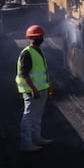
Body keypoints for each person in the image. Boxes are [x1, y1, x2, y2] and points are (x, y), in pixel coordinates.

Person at [16, 24, 54, 152]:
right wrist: (33, 89)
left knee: (37, 115)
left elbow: (42, 71)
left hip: (41, 89)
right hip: (31, 91)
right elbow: (24, 74)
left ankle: (37, 138)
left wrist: (48, 85)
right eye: (36, 37)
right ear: (30, 38)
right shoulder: (27, 53)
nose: (39, 38)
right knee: (29, 116)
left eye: (41, 36)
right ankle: (26, 143)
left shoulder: (39, 51)